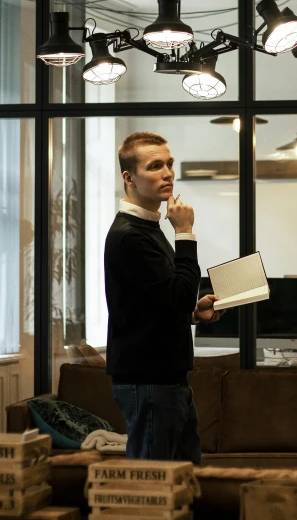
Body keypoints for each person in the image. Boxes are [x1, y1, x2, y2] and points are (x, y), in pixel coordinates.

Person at [104, 131, 222, 464]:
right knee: (152, 490)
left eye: (169, 164)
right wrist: (185, 232)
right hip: (149, 382)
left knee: (185, 483)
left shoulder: (147, 228)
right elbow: (179, 294)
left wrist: (192, 314)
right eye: (155, 166)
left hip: (166, 381)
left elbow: (161, 299)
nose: (168, 173)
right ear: (129, 178)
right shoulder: (130, 236)